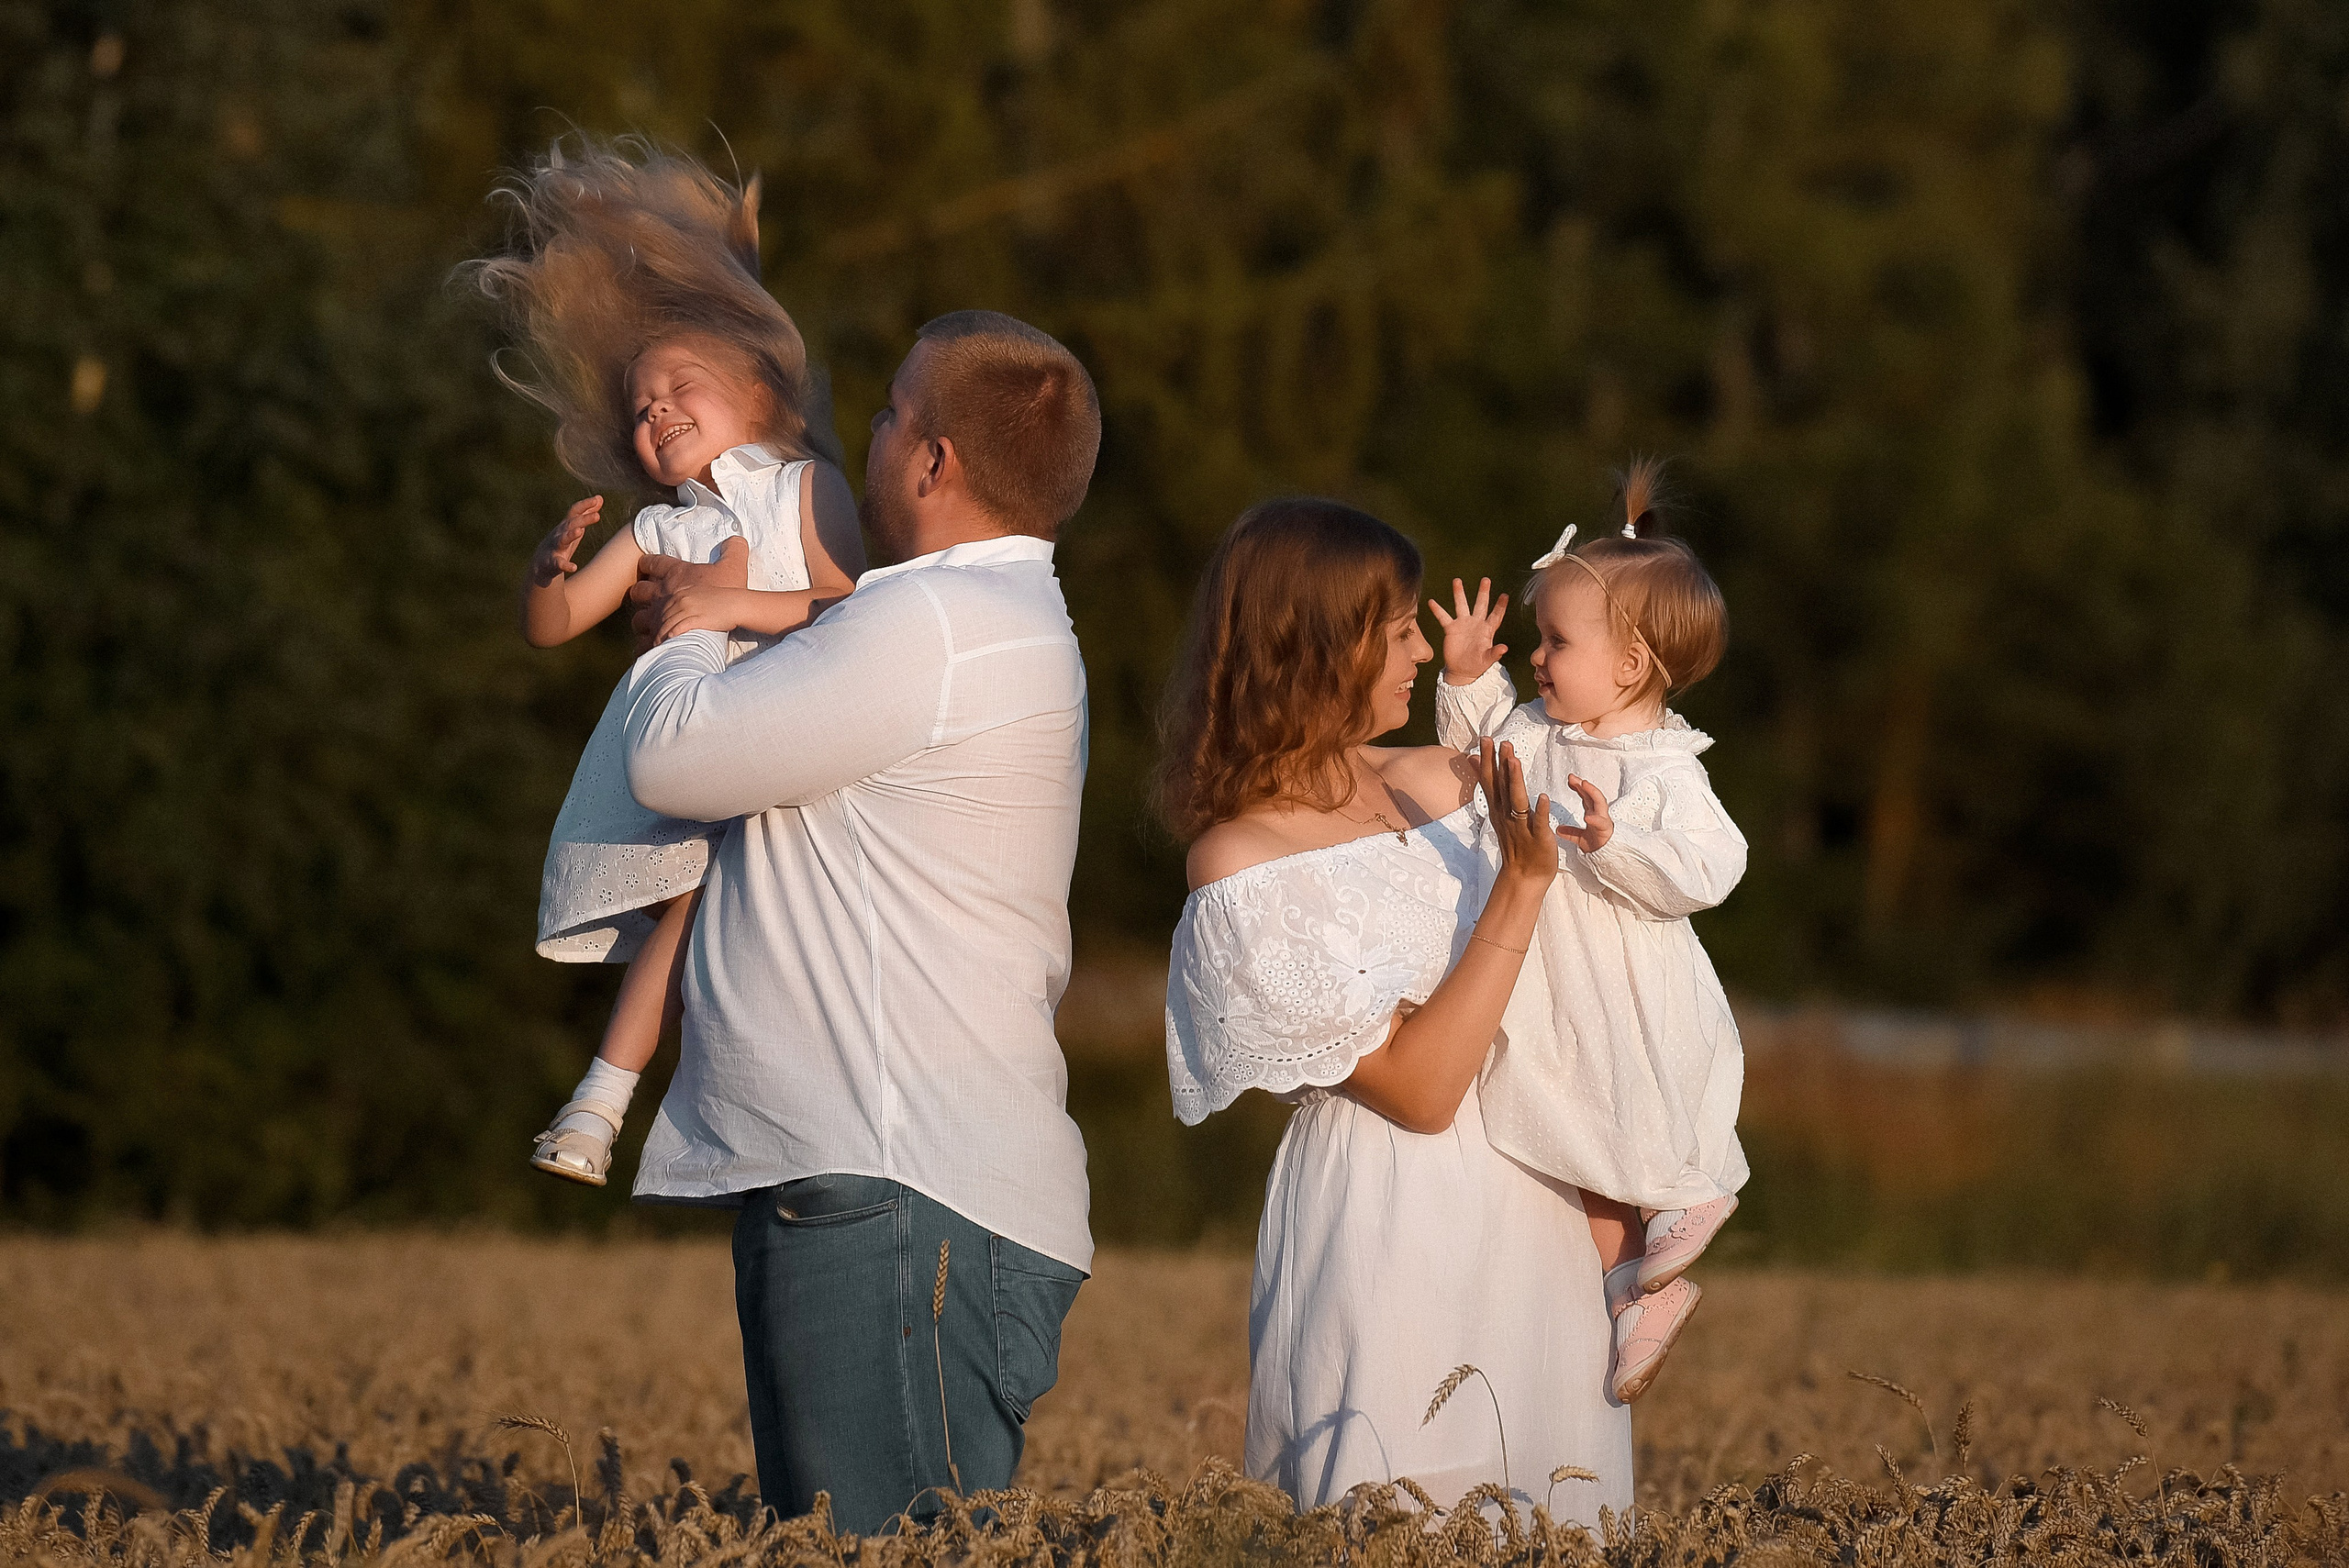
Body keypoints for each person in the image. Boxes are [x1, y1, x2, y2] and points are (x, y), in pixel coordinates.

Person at [619, 310, 1102, 1533]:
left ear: (934, 462)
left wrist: (695, 615)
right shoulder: (962, 623)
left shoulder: (928, 628)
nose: (865, 435)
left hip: (895, 1194)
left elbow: (675, 762)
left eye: (889, 413)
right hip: (892, 1185)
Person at [1157, 498, 1633, 1519]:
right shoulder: (1240, 860)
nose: (1422, 649)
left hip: (1541, 1211)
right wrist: (1517, 888)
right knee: (1393, 1508)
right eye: (1396, 628)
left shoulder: (1443, 780)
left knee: (1556, 1510)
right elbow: (1418, 1088)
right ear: (1313, 644)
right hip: (1389, 1226)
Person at [467, 139, 864, 1186]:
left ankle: (619, 1099)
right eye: (640, 409)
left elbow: (852, 605)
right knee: (682, 934)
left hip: (787, 736)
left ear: (766, 397)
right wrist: (545, 577)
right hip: (687, 757)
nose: (656, 413)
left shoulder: (808, 492)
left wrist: (730, 602)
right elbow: (559, 625)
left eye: (681, 386)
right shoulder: (657, 529)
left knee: (706, 935)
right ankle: (603, 1104)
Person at [1431, 459, 1748, 1404]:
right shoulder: (1535, 729)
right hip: (1545, 982)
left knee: (1621, 1108)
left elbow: (1710, 865)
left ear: (1629, 665)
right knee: (1572, 1136)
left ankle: (1689, 1195)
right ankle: (1633, 1301)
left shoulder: (1663, 767)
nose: (1536, 657)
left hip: (1621, 985)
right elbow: (1478, 752)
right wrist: (1463, 675)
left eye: (1554, 640)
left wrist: (1618, 838)